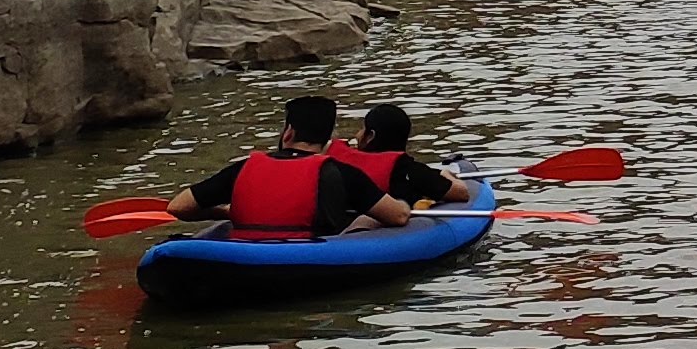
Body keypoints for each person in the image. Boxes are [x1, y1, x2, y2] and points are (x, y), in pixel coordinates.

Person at [163, 96, 414, 241]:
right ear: (328, 139)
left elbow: (178, 206)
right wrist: (406, 204)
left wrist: (229, 212)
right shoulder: (341, 172)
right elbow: (398, 216)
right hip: (305, 258)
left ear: (288, 132)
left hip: (245, 252)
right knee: (367, 219)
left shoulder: (245, 167)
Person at [326, 103, 469, 212]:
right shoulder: (408, 170)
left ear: (370, 136)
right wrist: (445, 174)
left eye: (361, 129)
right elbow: (461, 192)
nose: (357, 135)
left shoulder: (337, 164)